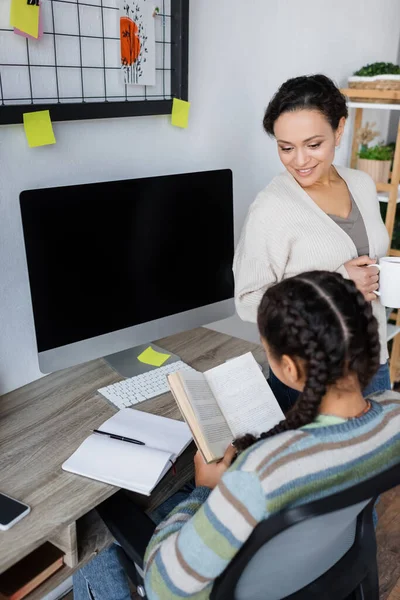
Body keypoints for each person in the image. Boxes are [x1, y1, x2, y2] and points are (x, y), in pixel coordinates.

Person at [74, 271, 400, 600]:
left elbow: (164, 587)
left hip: (236, 585)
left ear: (290, 367)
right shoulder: (393, 416)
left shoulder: (258, 474)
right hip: (321, 566)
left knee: (95, 532)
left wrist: (204, 492)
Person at [233, 74, 391, 413]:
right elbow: (248, 301)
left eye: (313, 144)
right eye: (286, 148)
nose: (300, 161)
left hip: (373, 360)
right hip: (310, 376)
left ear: (339, 129)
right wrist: (338, 283)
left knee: (377, 462)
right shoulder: (271, 208)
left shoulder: (361, 184)